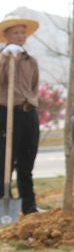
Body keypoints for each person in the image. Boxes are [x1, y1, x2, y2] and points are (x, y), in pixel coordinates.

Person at [0, 15, 41, 214]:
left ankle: (29, 205)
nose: (20, 36)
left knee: (27, 161)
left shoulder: (31, 61)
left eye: (22, 32)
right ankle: (3, 203)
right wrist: (4, 59)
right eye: (15, 33)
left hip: (28, 113)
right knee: (4, 161)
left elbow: (33, 87)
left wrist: (31, 103)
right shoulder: (3, 57)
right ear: (6, 36)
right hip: (6, 113)